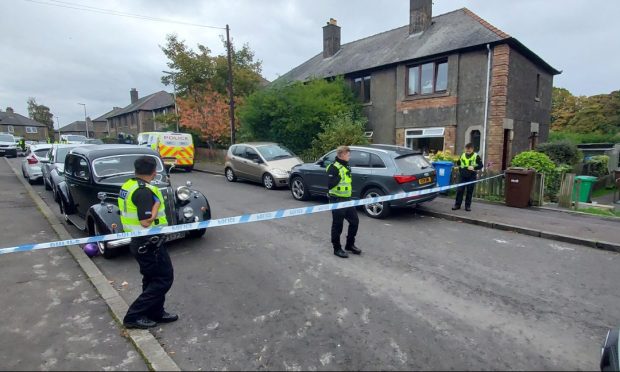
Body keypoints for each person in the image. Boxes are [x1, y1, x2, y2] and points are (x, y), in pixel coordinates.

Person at [119, 156, 178, 329]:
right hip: (149, 242)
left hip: (142, 241)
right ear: (153, 172)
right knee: (164, 278)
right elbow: (146, 221)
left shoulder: (128, 185)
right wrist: (156, 206)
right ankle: (133, 316)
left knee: (152, 279)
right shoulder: (143, 191)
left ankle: (155, 312)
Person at [327, 145, 361, 258]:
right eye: (348, 154)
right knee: (338, 225)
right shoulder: (334, 167)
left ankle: (349, 245)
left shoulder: (346, 167)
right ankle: (336, 248)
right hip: (337, 200)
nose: (349, 157)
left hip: (347, 200)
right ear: (341, 155)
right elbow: (330, 185)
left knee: (355, 221)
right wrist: (338, 178)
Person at [453, 143, 484, 212]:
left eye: (469, 151)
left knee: (469, 191)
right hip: (462, 176)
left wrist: (474, 167)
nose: (468, 152)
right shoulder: (463, 155)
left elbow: (481, 165)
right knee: (460, 190)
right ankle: (457, 205)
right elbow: (458, 163)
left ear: (472, 149)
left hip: (471, 176)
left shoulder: (476, 156)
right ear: (465, 149)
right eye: (467, 151)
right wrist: (457, 164)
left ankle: (467, 206)